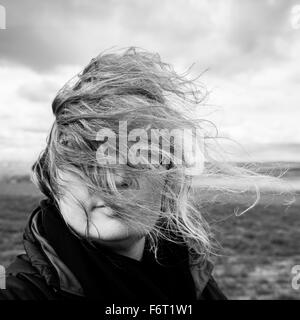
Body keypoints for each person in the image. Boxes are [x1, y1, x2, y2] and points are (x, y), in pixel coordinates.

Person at [0, 48, 228, 300]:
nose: (117, 179)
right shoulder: (21, 293)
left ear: (168, 175)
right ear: (52, 177)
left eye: (142, 154)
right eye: (86, 159)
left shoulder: (193, 276)